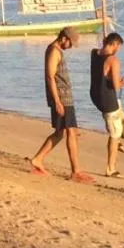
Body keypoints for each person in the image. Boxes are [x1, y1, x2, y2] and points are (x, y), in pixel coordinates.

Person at [29, 26, 94, 183]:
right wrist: (57, 101)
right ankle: (76, 171)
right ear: (64, 38)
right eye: (70, 43)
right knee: (70, 132)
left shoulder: (56, 51)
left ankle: (38, 159)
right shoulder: (53, 51)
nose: (71, 47)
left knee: (62, 132)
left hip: (65, 98)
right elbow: (50, 77)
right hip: (62, 99)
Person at [90, 32, 124, 177]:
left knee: (120, 119)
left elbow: (104, 73)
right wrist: (123, 82)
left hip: (95, 96)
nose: (118, 50)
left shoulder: (94, 53)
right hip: (107, 99)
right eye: (118, 46)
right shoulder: (113, 60)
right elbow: (115, 85)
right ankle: (111, 169)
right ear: (114, 44)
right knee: (115, 132)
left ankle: (118, 142)